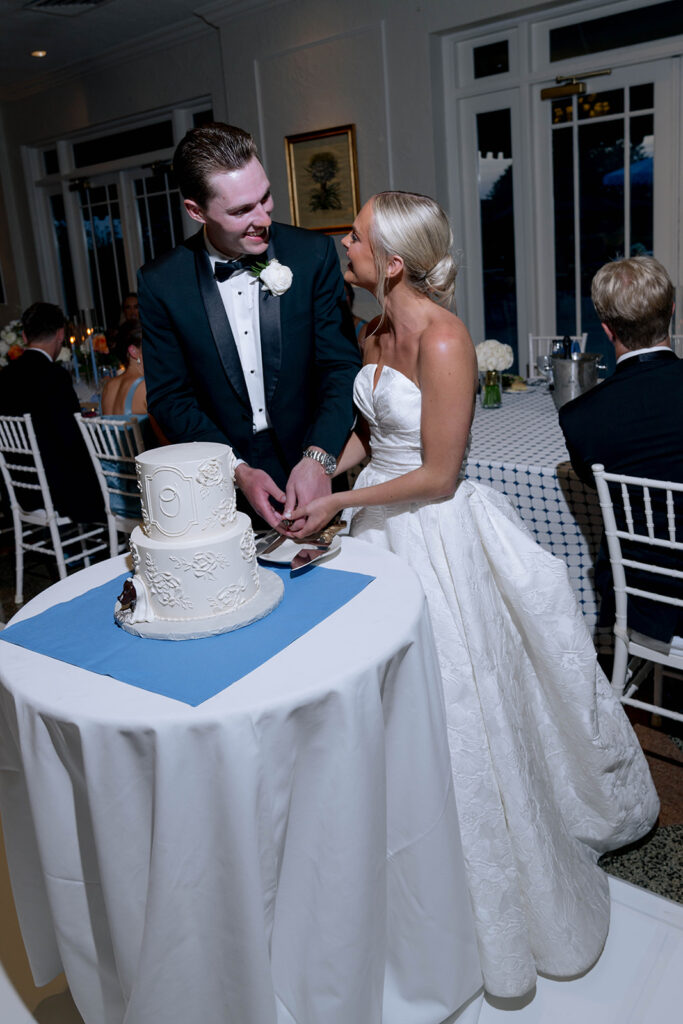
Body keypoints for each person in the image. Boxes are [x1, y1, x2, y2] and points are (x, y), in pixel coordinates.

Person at [289, 192, 660, 998]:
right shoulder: (374, 329)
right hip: (375, 529)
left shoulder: (446, 338)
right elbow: (371, 427)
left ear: (390, 261)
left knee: (458, 703)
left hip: (429, 532)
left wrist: (336, 507)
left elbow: (436, 472)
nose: (341, 242)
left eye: (354, 235)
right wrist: (326, 464)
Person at [138, 122, 360, 531]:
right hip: (218, 481)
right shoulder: (160, 282)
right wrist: (235, 468)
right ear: (196, 211)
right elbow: (169, 398)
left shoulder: (312, 255)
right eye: (242, 210)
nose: (263, 219)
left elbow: (340, 366)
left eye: (266, 198)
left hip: (312, 463)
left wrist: (319, 458)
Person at [560, 255, 683, 643]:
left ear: (607, 329)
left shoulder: (580, 416)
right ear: (673, 312)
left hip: (643, 601)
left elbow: (604, 491)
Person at [0, 302, 104, 523]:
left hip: (17, 489)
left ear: (25, 337)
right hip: (54, 492)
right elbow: (72, 438)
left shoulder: (5, 376)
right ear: (60, 334)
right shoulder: (54, 376)